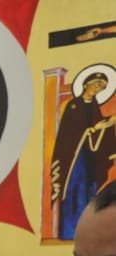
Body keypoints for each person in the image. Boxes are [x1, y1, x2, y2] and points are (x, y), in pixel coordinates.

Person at [51, 71, 116, 240]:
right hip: (74, 158)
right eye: (96, 84)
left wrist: (108, 123)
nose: (98, 88)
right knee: (74, 191)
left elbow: (96, 127)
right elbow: (69, 133)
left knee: (90, 191)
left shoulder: (94, 106)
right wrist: (93, 129)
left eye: (101, 87)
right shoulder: (74, 105)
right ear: (87, 84)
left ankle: (87, 234)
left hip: (90, 156)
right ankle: (70, 232)